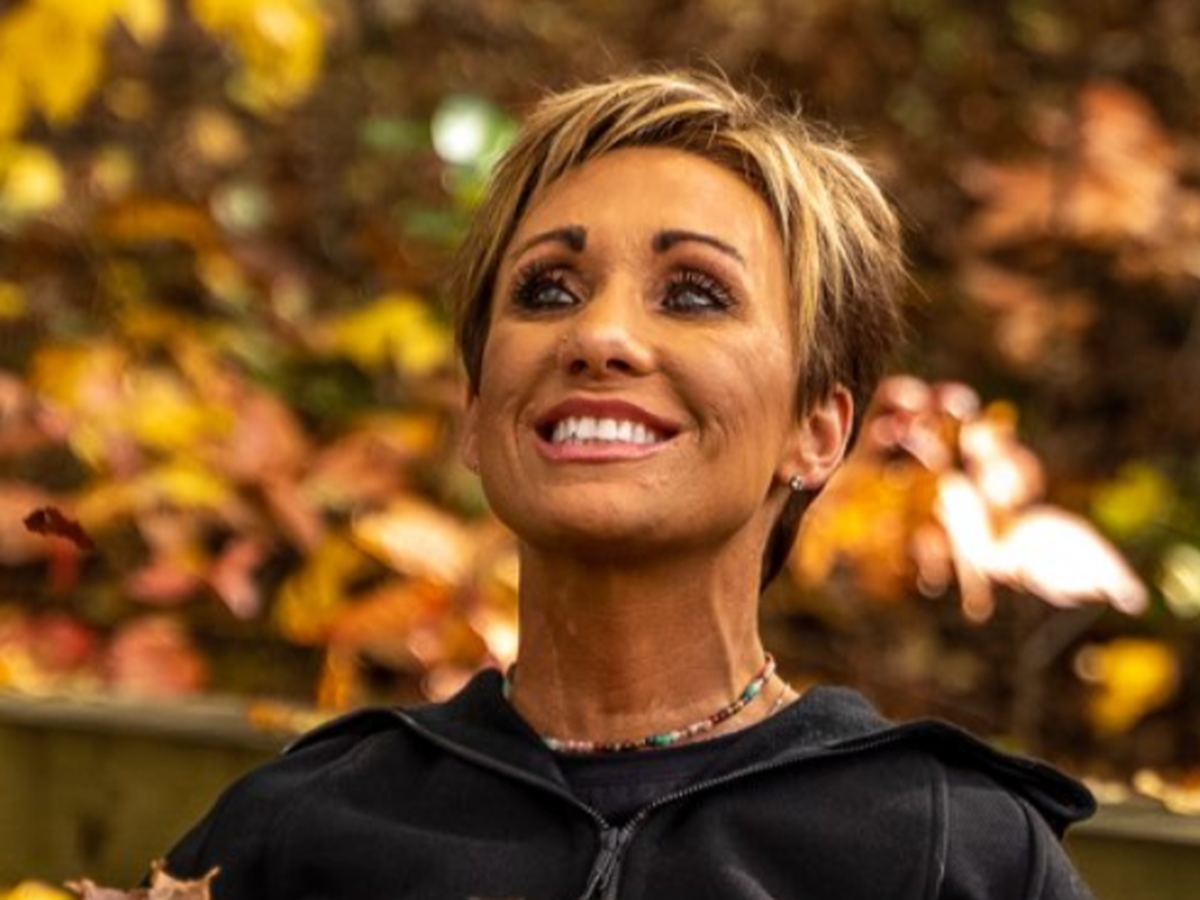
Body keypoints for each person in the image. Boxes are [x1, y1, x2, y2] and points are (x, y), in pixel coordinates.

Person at [159, 70, 1097, 899]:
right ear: (477, 412)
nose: (598, 336)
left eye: (693, 294)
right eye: (548, 290)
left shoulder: (952, 854)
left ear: (816, 431)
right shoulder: (293, 835)